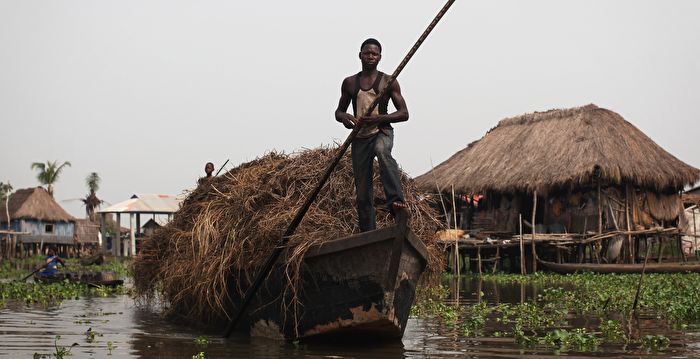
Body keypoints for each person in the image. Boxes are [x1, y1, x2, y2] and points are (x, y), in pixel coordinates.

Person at [335, 38, 409, 232]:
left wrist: (378, 119)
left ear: (380, 57)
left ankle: (395, 201)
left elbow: (404, 113)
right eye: (367, 53)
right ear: (360, 55)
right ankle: (368, 232)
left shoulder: (388, 81)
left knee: (382, 151)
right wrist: (346, 118)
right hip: (360, 138)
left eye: (374, 54)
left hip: (381, 131)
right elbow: (338, 112)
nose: (370, 57)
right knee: (362, 189)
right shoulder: (350, 82)